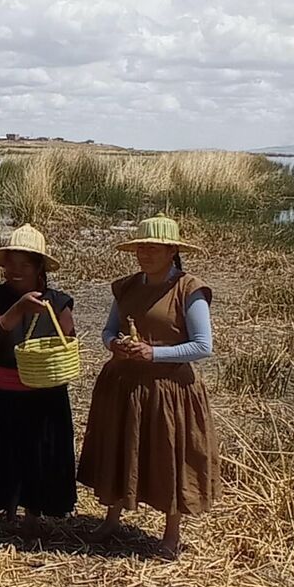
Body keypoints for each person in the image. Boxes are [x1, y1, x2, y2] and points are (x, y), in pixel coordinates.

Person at [76, 215, 217, 557]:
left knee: (168, 457)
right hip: (123, 385)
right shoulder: (125, 287)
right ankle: (111, 519)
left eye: (153, 248)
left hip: (169, 391)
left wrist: (154, 353)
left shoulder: (189, 289)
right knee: (120, 449)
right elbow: (108, 330)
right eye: (141, 247)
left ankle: (171, 533)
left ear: (172, 251)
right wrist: (115, 345)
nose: (144, 253)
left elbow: (203, 346)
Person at [0, 224, 78, 538]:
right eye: (11, 263)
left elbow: (68, 340)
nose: (16, 270)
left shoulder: (58, 303)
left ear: (39, 268)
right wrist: (16, 311)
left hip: (41, 395)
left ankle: (33, 516)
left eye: (25, 264)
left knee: (36, 456)